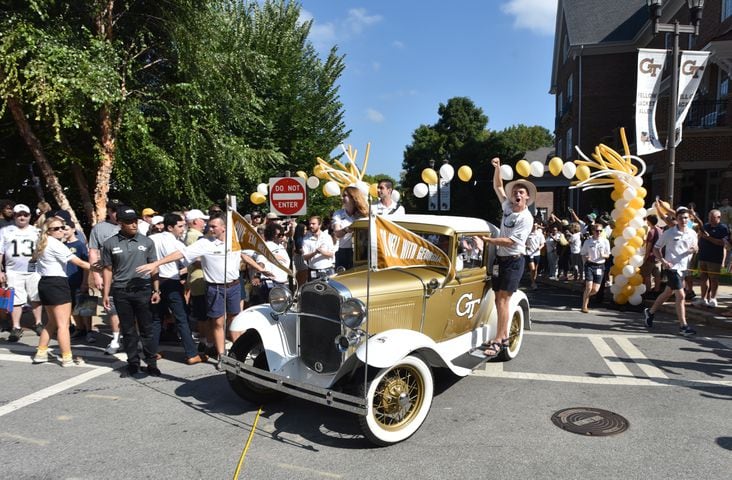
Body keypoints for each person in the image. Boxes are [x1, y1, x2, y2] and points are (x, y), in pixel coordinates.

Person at [136, 215, 270, 371]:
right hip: (215, 288)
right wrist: (156, 263)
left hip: (233, 286)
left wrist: (260, 269)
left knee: (235, 320)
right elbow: (180, 253)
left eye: (213, 226)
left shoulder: (234, 241)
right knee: (217, 322)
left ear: (223, 228)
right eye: (209, 226)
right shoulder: (204, 243)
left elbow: (243, 255)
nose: (209, 229)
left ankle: (238, 353)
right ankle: (221, 356)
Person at [479, 157, 534, 357]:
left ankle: (500, 339)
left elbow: (512, 241)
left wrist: (488, 240)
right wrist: (498, 168)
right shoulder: (508, 208)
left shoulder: (526, 218)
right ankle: (500, 335)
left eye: (521, 192)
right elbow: (498, 185)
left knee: (504, 299)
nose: (516, 194)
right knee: (497, 299)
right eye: (515, 192)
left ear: (527, 197)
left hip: (514, 260)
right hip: (501, 261)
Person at [102, 206, 161, 376]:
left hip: (143, 289)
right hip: (121, 291)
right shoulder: (110, 243)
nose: (133, 224)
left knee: (147, 329)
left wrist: (156, 289)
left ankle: (151, 363)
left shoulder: (147, 242)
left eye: (135, 221)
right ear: (119, 223)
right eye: (128, 222)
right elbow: (107, 270)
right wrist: (106, 294)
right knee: (128, 330)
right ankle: (133, 362)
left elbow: (154, 267)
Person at [32, 217, 92, 366]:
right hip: (57, 283)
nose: (61, 230)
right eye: (56, 228)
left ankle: (41, 352)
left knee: (51, 322)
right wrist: (100, 269)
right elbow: (79, 262)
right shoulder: (56, 245)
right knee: (63, 325)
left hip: (45, 283)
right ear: (48, 231)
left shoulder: (43, 243)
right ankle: (67, 357)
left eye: (62, 227)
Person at [150, 213, 207, 365]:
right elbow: (191, 261)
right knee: (182, 318)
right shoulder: (177, 244)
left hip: (155, 282)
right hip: (171, 283)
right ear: (170, 227)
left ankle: (151, 352)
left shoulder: (152, 239)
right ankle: (191, 354)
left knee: (156, 319)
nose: (183, 230)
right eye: (180, 226)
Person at [643, 207, 699, 336]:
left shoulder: (692, 233)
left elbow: (696, 247)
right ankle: (683, 326)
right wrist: (663, 261)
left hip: (684, 268)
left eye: (685, 218)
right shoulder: (669, 233)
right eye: (680, 218)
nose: (683, 220)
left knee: (667, 292)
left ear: (689, 219)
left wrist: (694, 249)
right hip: (671, 267)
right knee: (681, 296)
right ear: (676, 219)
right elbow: (657, 248)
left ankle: (650, 313)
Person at [0, 203, 43, 341]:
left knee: (36, 297)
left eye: (25, 214)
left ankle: (38, 323)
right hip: (13, 271)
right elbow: (0, 252)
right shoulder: (6, 231)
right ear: (14, 216)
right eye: (19, 215)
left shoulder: (36, 231)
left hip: (34, 270)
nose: (22, 217)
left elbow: (43, 250)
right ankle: (16, 326)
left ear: (30, 216)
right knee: (16, 300)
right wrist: (0, 271)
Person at [88, 200, 122, 354]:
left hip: (129, 275)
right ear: (108, 211)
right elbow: (93, 253)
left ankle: (135, 339)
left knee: (134, 308)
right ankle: (116, 339)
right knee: (112, 308)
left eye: (119, 209)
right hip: (109, 276)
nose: (116, 213)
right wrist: (96, 276)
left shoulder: (131, 225)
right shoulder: (99, 228)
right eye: (113, 210)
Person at [695, 209, 728, 308]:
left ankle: (713, 298)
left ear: (718, 218)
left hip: (714, 258)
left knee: (714, 279)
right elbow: (700, 235)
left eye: (712, 217)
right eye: (709, 217)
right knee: (703, 277)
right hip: (703, 256)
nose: (710, 219)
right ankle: (703, 298)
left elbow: (722, 243)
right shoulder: (706, 226)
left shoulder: (723, 228)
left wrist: (708, 238)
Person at [332, 186, 369, 270]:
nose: (342, 198)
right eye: (342, 195)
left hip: (361, 252)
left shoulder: (364, 214)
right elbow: (337, 234)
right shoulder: (338, 214)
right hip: (344, 252)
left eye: (345, 195)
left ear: (353, 197)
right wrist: (348, 229)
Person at [579, 224, 611, 313]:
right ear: (593, 231)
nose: (599, 232)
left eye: (601, 231)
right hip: (589, 265)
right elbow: (582, 253)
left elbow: (608, 255)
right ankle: (584, 306)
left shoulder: (605, 241)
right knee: (589, 287)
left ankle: (585, 296)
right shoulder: (588, 242)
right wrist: (586, 259)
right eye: (597, 231)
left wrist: (603, 255)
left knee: (595, 290)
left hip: (600, 266)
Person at [302, 215, 335, 280]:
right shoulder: (306, 239)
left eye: (313, 224)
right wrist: (315, 252)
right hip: (313, 270)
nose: (311, 226)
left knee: (329, 289)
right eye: (310, 224)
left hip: (327, 269)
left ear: (319, 225)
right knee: (313, 289)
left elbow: (332, 254)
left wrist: (322, 252)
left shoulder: (327, 237)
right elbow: (304, 257)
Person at [640, 215, 663, 294]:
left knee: (647, 275)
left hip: (651, 257)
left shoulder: (651, 232)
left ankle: (648, 291)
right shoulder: (660, 230)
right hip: (658, 257)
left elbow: (649, 246)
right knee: (657, 275)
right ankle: (656, 291)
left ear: (649, 221)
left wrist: (645, 257)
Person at [524, 223, 545, 290]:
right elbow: (522, 243)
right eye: (533, 226)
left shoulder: (540, 234)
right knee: (532, 268)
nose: (534, 227)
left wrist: (540, 247)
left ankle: (533, 281)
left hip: (537, 253)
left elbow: (543, 243)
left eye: (535, 226)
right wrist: (526, 246)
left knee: (535, 269)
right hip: (529, 253)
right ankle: (533, 283)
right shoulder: (527, 233)